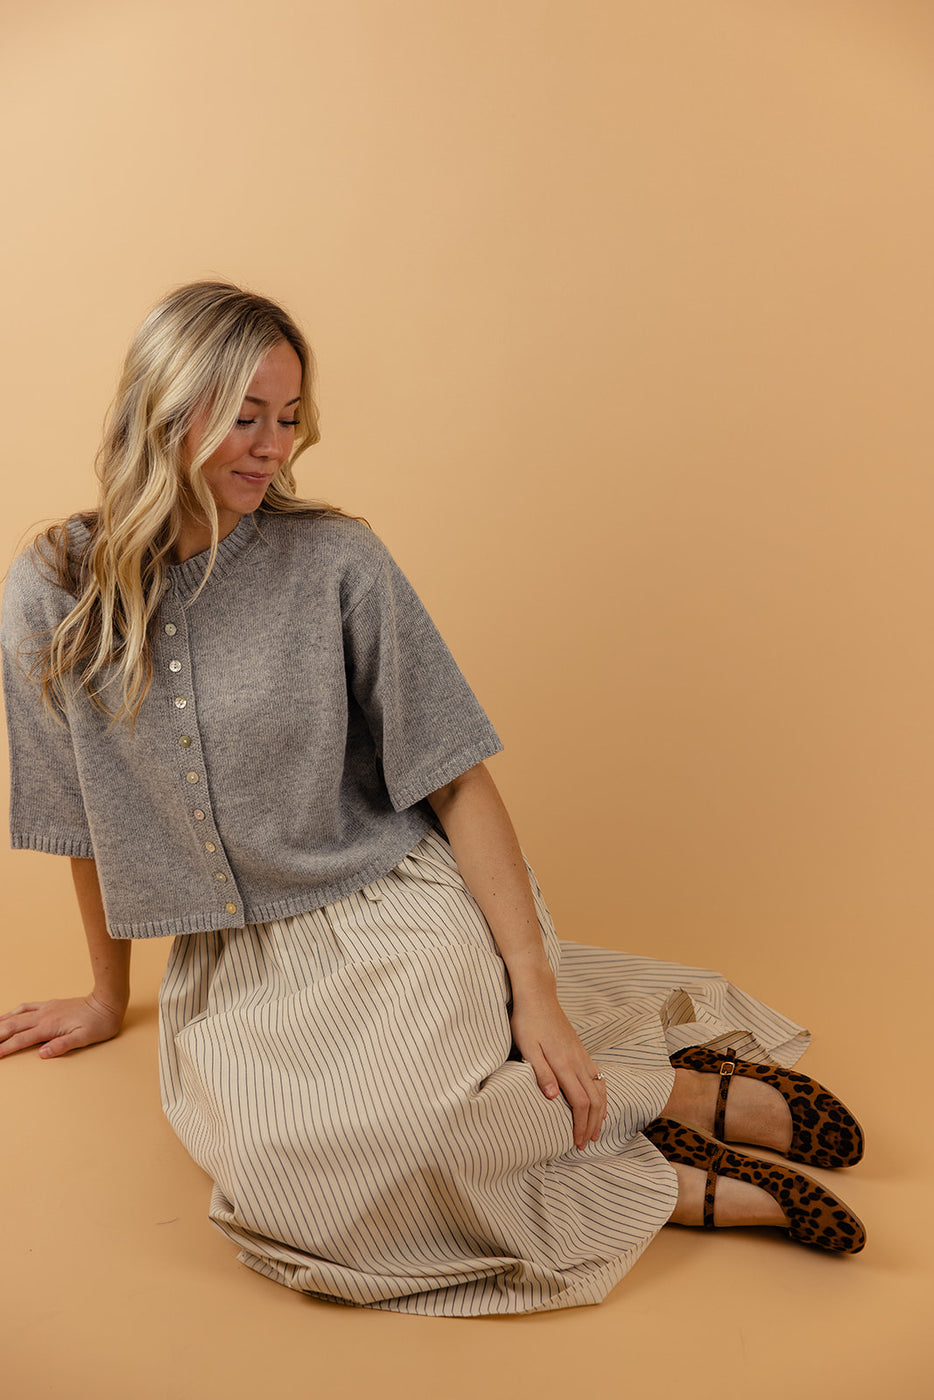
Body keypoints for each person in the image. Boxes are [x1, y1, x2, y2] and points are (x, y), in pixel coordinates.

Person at [0, 282, 866, 1315]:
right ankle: (656, 1122)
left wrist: (533, 987)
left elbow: (455, 775)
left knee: (426, 1113)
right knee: (283, 1168)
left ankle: (671, 1145)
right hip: (234, 959)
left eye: (289, 419)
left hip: (389, 901)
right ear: (165, 409)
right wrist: (106, 997)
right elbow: (84, 820)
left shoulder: (337, 561)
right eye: (246, 417)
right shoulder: (52, 591)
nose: (273, 448)